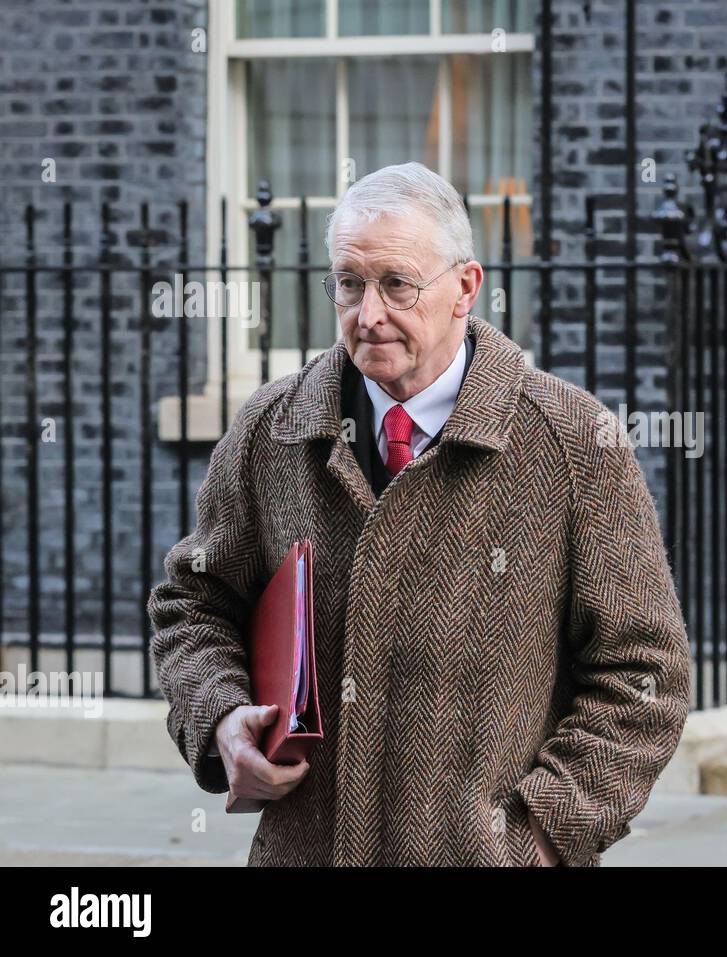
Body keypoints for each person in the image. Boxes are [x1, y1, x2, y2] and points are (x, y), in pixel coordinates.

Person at [148, 162, 691, 866]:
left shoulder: (573, 441)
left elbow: (645, 675)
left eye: (396, 284)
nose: (368, 314)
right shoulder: (270, 430)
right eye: (348, 283)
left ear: (466, 287)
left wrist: (536, 839)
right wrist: (221, 717)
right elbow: (193, 603)